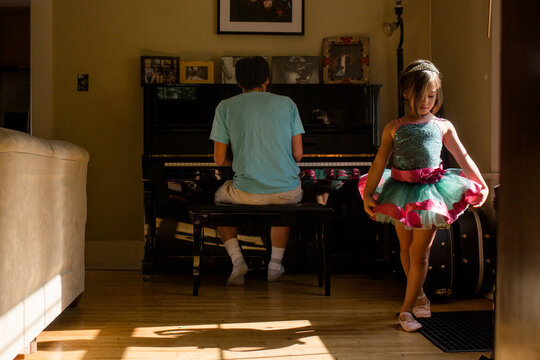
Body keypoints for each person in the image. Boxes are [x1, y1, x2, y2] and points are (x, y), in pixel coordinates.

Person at [358, 59, 489, 332]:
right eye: (420, 96)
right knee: (405, 251)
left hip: (431, 194)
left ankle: (405, 311)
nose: (425, 102)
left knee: (420, 254)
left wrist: (481, 183)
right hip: (398, 192)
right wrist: (367, 194)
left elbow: (462, 156)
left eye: (431, 96)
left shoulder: (443, 126)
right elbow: (379, 162)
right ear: (406, 93)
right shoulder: (394, 127)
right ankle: (418, 296)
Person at [210, 56, 304, 285]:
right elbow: (298, 155)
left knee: (219, 201)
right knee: (283, 204)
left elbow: (219, 158)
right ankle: (274, 264)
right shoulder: (288, 103)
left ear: (239, 82)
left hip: (246, 193)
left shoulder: (225, 106)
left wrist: (244, 158)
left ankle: (237, 260)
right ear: (266, 80)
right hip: (288, 192)